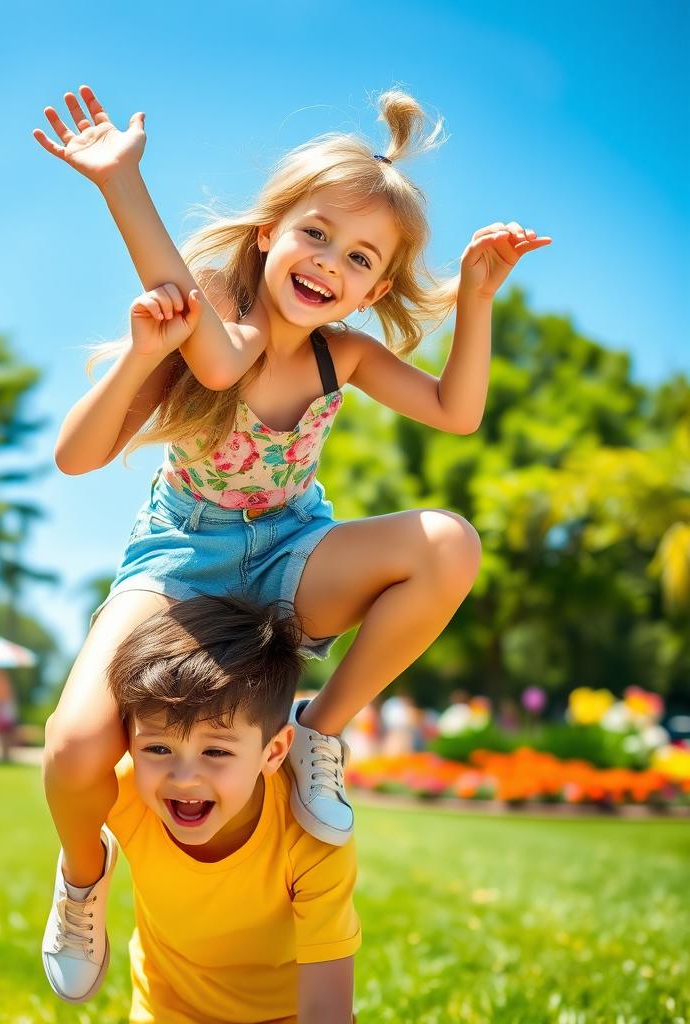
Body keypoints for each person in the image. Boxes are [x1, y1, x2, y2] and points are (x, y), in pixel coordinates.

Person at [32, 83, 551, 1001]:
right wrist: (123, 196)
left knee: (450, 543)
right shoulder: (208, 336)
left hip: (287, 554)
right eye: (315, 234)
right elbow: (78, 457)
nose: (329, 264)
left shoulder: (341, 353)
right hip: (179, 564)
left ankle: (319, 730)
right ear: (270, 231)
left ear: (375, 289)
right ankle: (81, 879)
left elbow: (455, 412)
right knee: (73, 750)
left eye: (358, 258)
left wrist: (475, 296)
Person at [44, 595, 361, 1023]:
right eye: (157, 748)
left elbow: (327, 1010)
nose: (184, 777)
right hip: (168, 1010)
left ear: (274, 751)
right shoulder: (125, 793)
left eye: (215, 751)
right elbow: (69, 764)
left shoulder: (311, 838)